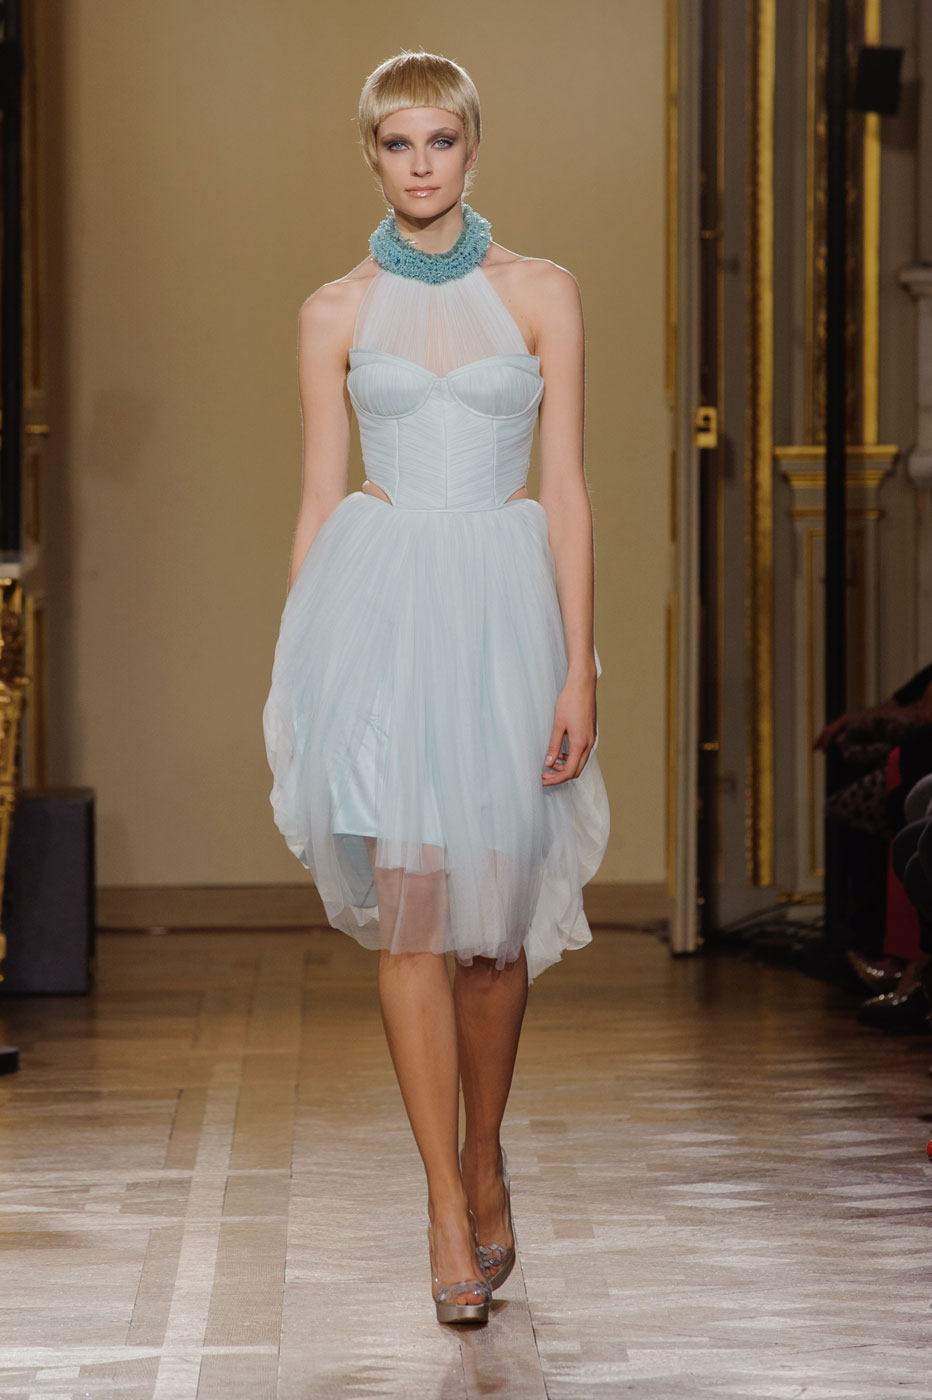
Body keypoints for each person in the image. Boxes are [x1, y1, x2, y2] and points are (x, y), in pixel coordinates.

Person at [262, 50, 610, 1324]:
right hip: (385, 613)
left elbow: (564, 490)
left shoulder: (542, 291)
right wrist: (302, 666)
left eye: (440, 141)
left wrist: (576, 665)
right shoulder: (333, 310)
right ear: (371, 154)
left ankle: (484, 1154)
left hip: (505, 615)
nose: (420, 164)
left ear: (471, 147)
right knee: (412, 915)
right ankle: (442, 1203)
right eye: (397, 143)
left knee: (492, 933)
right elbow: (319, 495)